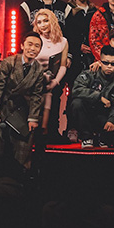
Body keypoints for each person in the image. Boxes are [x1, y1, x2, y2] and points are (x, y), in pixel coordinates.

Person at [0, 32, 45, 167]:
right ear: (22, 45)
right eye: (30, 44)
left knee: (25, 139)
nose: (32, 48)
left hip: (16, 106)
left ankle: (21, 173)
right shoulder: (8, 62)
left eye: (37, 46)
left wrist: (33, 118)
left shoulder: (38, 69)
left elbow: (36, 95)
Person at [69, 45, 114, 148]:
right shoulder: (90, 74)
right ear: (100, 62)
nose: (109, 66)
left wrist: (111, 120)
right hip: (88, 115)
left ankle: (104, 138)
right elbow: (76, 90)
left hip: (106, 117)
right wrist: (98, 97)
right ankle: (87, 138)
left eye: (113, 64)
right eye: (105, 63)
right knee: (76, 103)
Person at [33, 9, 68, 142]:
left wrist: (55, 82)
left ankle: (46, 132)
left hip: (52, 79)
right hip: (34, 78)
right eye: (39, 22)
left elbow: (63, 66)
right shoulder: (35, 39)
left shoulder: (63, 41)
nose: (42, 25)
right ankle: (38, 131)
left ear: (52, 21)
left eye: (46, 21)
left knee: (51, 94)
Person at [64, 0, 95, 94]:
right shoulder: (67, 10)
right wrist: (77, 46)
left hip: (90, 56)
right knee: (73, 89)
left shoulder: (95, 11)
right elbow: (65, 33)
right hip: (73, 55)